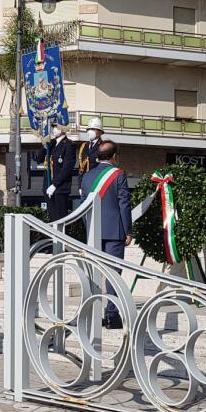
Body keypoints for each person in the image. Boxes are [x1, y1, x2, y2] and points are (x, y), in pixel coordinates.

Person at [79, 141, 133, 330]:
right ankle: (112, 315)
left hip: (93, 232)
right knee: (113, 275)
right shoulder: (118, 174)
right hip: (114, 232)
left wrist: (89, 228)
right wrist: (128, 231)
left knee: (94, 274)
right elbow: (123, 204)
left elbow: (83, 206)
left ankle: (92, 314)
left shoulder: (86, 176)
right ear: (114, 156)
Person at [37, 121, 76, 222]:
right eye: (53, 127)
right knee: (52, 219)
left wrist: (54, 185)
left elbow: (66, 168)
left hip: (60, 188)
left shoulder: (68, 145)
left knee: (60, 219)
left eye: (56, 127)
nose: (54, 130)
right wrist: (44, 145)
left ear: (63, 129)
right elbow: (39, 159)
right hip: (47, 186)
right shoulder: (51, 143)